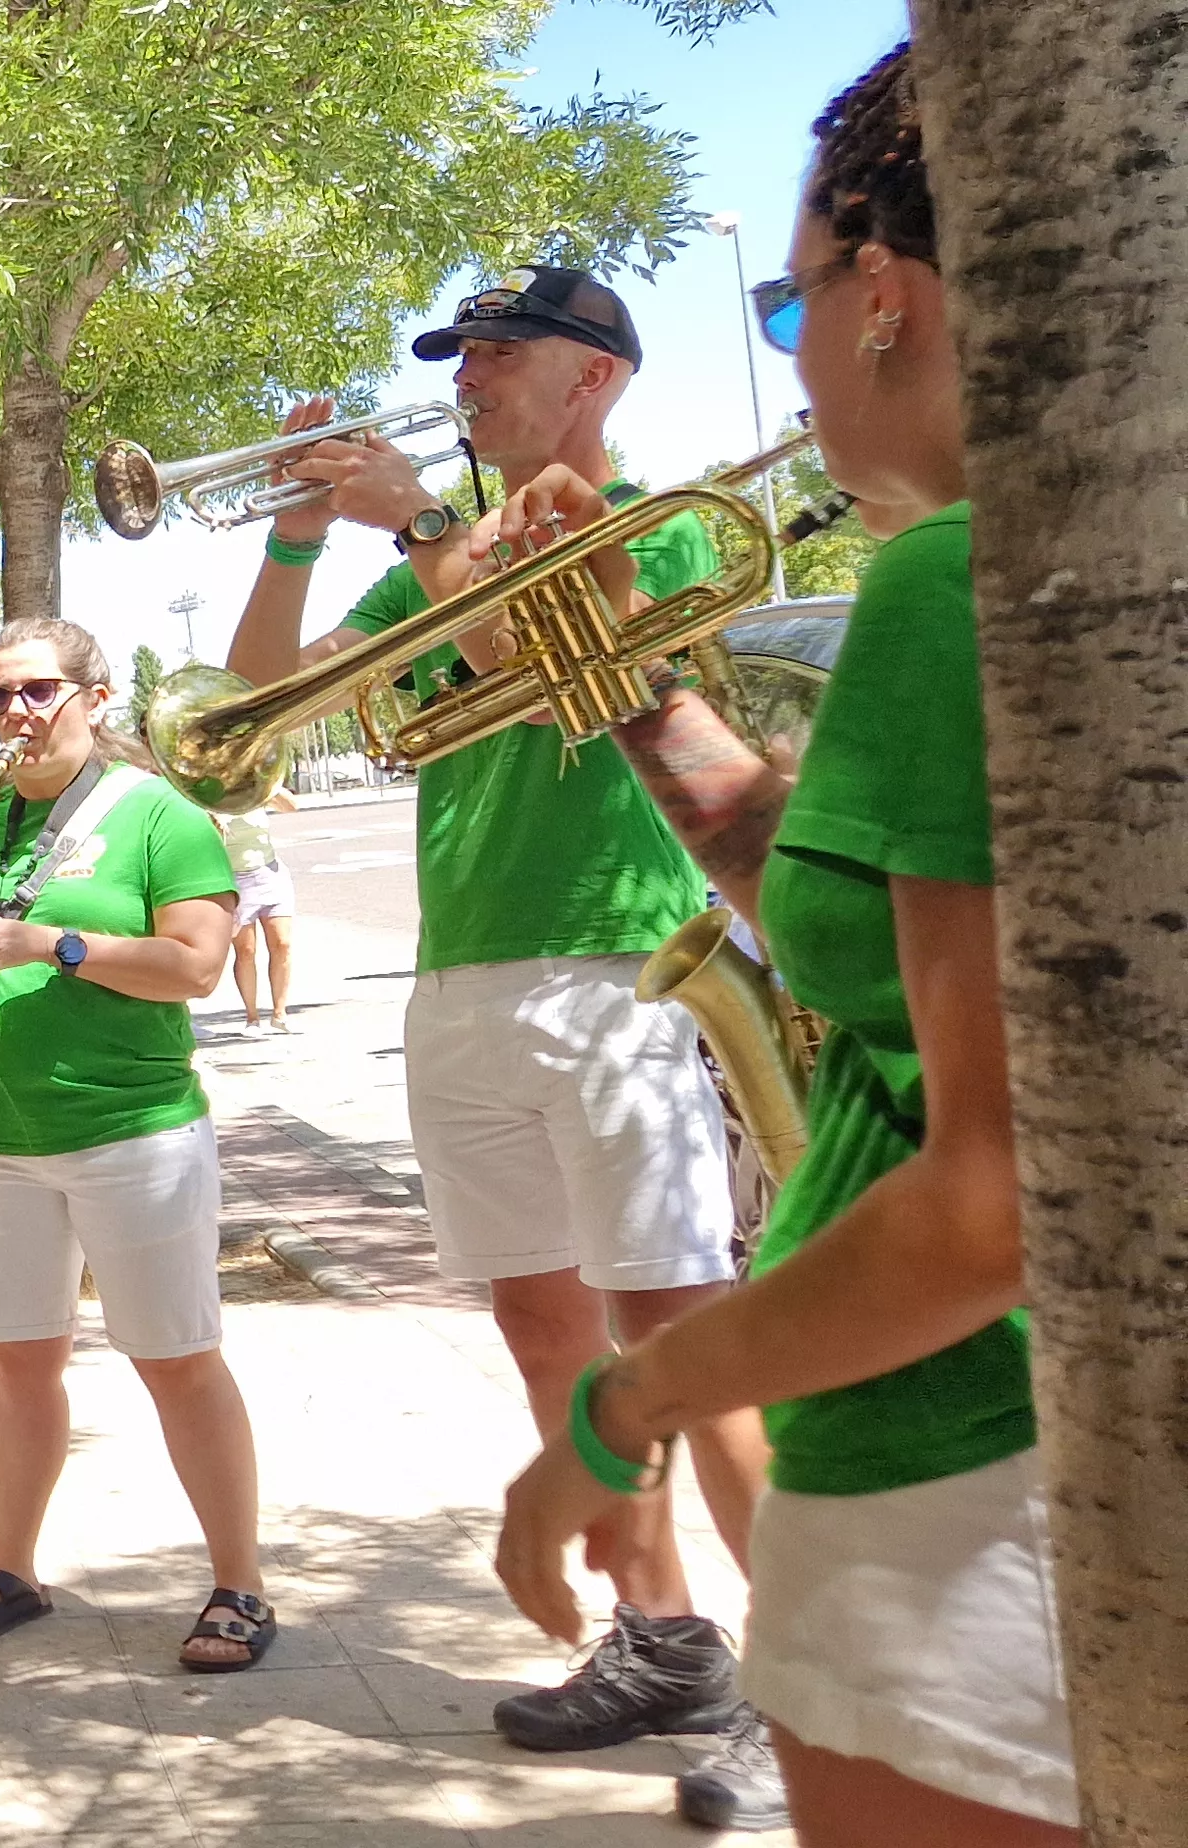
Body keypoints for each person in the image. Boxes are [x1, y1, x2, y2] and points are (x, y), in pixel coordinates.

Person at [499, 52, 1068, 1842]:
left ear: (882, 293)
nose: (798, 351)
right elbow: (822, 888)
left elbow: (992, 1200)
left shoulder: (940, 577)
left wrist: (619, 1407)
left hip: (964, 1499)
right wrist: (625, 661)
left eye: (790, 295)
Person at [229, 264, 771, 1776]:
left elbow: (537, 675)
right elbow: (259, 702)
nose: (465, 378)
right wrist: (290, 536)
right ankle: (662, 1639)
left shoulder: (657, 521)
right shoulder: (438, 551)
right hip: (460, 972)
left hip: (622, 969)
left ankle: (811, 1672)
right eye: (459, 355)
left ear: (595, 375)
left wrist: (412, 525)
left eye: (498, 351)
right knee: (542, 1329)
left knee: (679, 1331)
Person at [0, 619, 272, 1671]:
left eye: (36, 693)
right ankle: (13, 1568)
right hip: (1, 1135)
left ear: (95, 696)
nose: (15, 715)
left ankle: (238, 1584)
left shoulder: (160, 813)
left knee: (174, 1360)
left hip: (132, 1131)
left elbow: (198, 965)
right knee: (14, 1362)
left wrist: (54, 945)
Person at [220, 791, 302, 1033]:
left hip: (270, 874)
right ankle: (252, 1017)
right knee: (246, 950)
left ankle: (280, 1013)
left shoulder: (252, 790)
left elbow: (292, 806)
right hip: (235, 879)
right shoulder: (211, 796)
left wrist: (267, 783)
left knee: (282, 943)